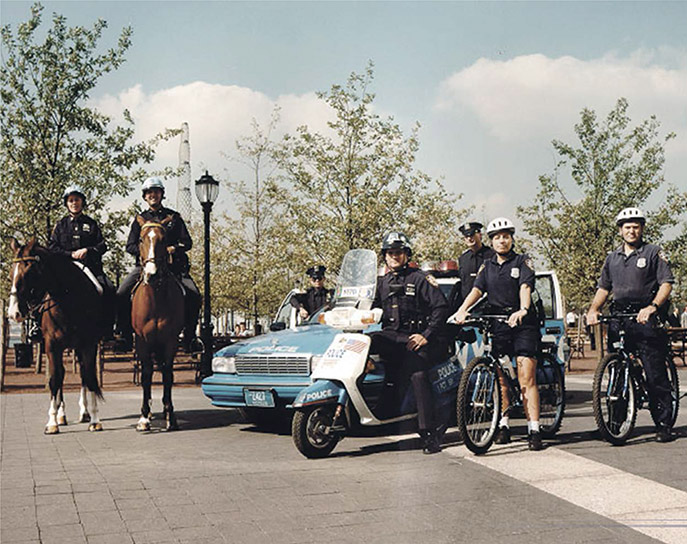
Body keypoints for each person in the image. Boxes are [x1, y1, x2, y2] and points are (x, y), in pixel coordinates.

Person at [451, 217, 544, 451]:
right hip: (498, 322)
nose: (501, 241)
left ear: (511, 238)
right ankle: (503, 425)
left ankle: (534, 429)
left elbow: (525, 288)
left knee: (526, 376)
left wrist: (522, 309)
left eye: (505, 236)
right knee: (500, 378)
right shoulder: (488, 266)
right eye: (497, 237)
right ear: (491, 241)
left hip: (522, 323)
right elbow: (477, 290)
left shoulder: (523, 261)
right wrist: (462, 310)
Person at [586, 207, 675, 442]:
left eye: (636, 226)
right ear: (620, 230)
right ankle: (614, 424)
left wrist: (652, 307)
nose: (632, 230)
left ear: (642, 228)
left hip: (645, 313)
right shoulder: (612, 258)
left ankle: (664, 422)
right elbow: (604, 288)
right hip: (619, 316)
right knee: (616, 370)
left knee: (653, 370)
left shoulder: (654, 252)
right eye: (627, 227)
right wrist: (594, 309)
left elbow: (666, 283)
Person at [370, 231, 450, 454]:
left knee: (417, 373)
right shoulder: (381, 282)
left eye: (398, 252)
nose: (394, 256)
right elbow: (367, 306)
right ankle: (376, 409)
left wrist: (426, 334)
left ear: (406, 255)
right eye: (390, 253)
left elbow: (441, 308)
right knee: (365, 345)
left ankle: (428, 434)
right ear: (384, 256)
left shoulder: (419, 278)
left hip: (415, 339)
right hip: (391, 337)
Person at [115, 177, 202, 352]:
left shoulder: (174, 218)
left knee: (193, 294)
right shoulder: (140, 219)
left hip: (173, 268)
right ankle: (124, 335)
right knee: (121, 293)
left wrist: (171, 248)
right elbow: (130, 246)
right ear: (145, 197)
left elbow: (187, 242)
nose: (153, 195)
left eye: (156, 192)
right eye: (149, 193)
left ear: (162, 194)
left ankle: (190, 337)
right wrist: (147, 252)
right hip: (145, 267)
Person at [49, 185, 116, 337]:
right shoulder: (60, 225)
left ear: (82, 202)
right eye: (71, 200)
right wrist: (70, 254)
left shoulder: (91, 224)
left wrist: (88, 251)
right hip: (64, 269)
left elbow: (102, 245)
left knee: (109, 289)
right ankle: (37, 329)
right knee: (43, 288)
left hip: (89, 268)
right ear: (66, 203)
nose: (74, 203)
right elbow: (52, 247)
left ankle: (107, 330)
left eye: (77, 200)